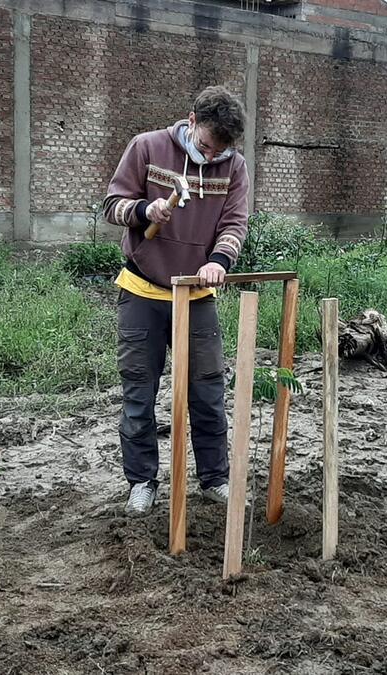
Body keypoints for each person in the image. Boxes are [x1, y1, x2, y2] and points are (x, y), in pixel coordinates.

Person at [102, 86, 250, 517]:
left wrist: (219, 260)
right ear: (191, 121)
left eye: (219, 150)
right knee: (138, 394)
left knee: (207, 393)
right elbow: (112, 205)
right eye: (204, 145)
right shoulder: (146, 147)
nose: (210, 155)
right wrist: (144, 211)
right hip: (142, 290)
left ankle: (214, 480)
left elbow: (235, 223)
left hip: (196, 293)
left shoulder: (235, 167)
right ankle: (142, 484)